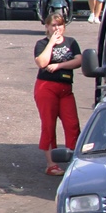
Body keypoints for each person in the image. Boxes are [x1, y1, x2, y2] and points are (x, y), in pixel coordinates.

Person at [34, 13, 82, 175]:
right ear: (47, 27)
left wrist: (60, 66)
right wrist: (51, 44)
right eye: (53, 25)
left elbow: (79, 60)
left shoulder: (71, 42)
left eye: (59, 25)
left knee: (72, 123)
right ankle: (51, 164)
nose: (57, 28)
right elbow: (42, 62)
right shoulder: (42, 43)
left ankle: (76, 158)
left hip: (65, 88)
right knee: (48, 124)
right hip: (47, 87)